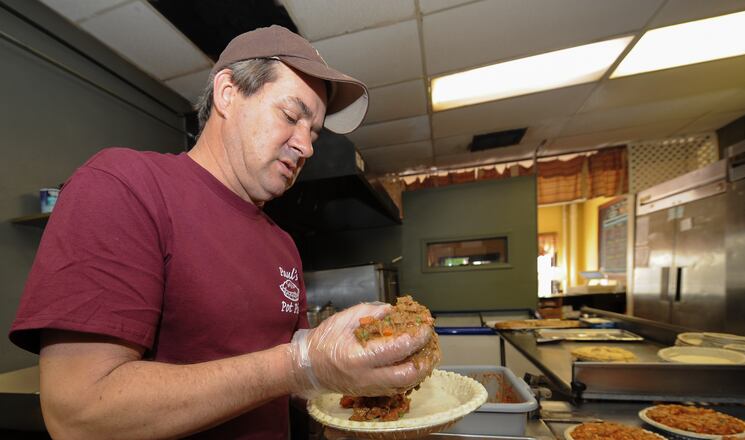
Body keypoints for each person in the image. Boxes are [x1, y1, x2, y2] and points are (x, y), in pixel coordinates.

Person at [9, 26, 433, 439]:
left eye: (314, 132)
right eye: (290, 115)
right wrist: (301, 363)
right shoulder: (124, 184)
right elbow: (78, 413)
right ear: (228, 93)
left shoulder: (283, 245)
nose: (306, 146)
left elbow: (294, 385)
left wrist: (348, 373)